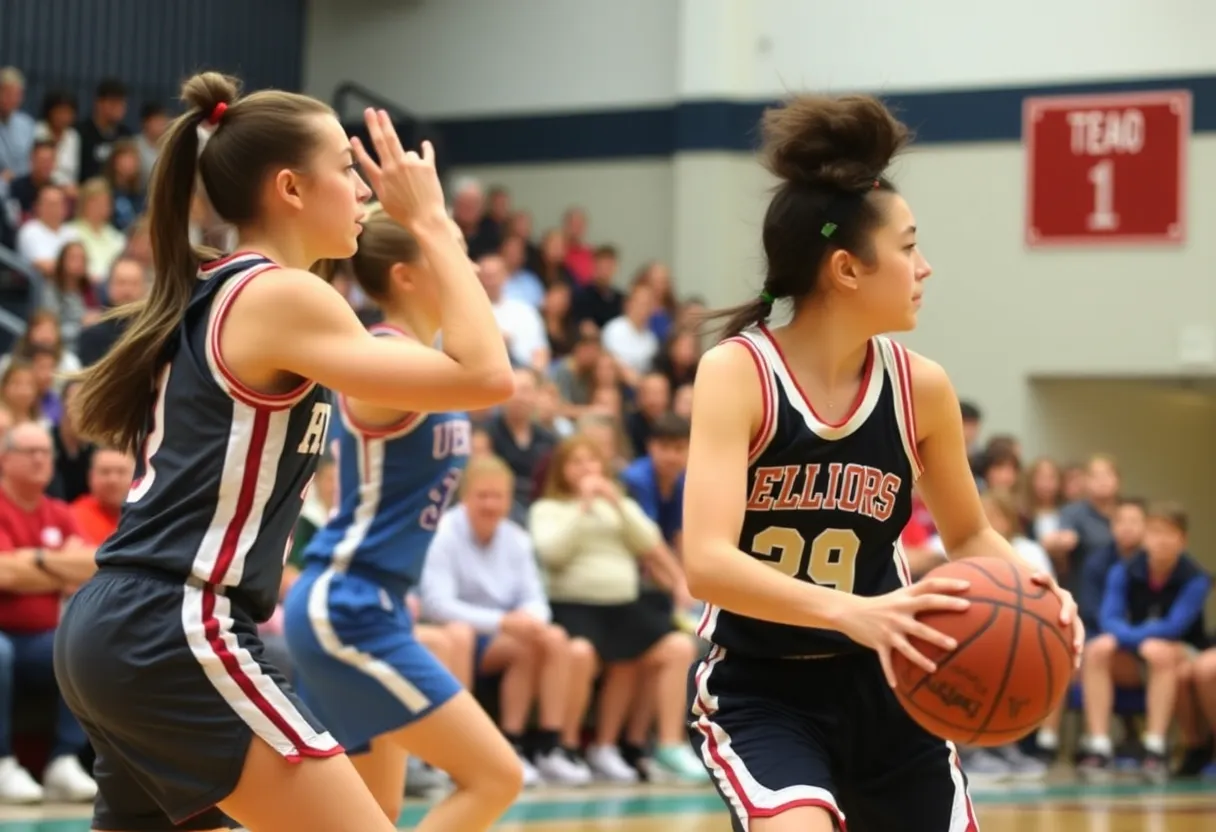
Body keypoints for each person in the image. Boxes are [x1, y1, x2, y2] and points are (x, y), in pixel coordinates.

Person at [52, 71, 515, 832]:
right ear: (292, 189)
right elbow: (486, 374)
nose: (365, 189)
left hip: (121, 625)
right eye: (346, 168)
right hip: (179, 623)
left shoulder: (226, 290)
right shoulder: (281, 296)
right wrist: (432, 222)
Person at [681, 94, 1083, 832]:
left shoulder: (920, 386)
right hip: (762, 688)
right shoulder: (740, 374)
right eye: (907, 247)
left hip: (894, 683)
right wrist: (855, 613)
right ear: (846, 269)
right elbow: (705, 562)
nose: (925, 267)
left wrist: (1043, 594)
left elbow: (968, 536)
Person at [283, 206, 524, 827]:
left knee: (376, 814)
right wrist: (431, 219)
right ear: (407, 275)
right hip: (346, 603)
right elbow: (494, 375)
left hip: (375, 602)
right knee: (496, 777)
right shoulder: (380, 359)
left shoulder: (422, 362)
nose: (466, 269)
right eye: (449, 252)